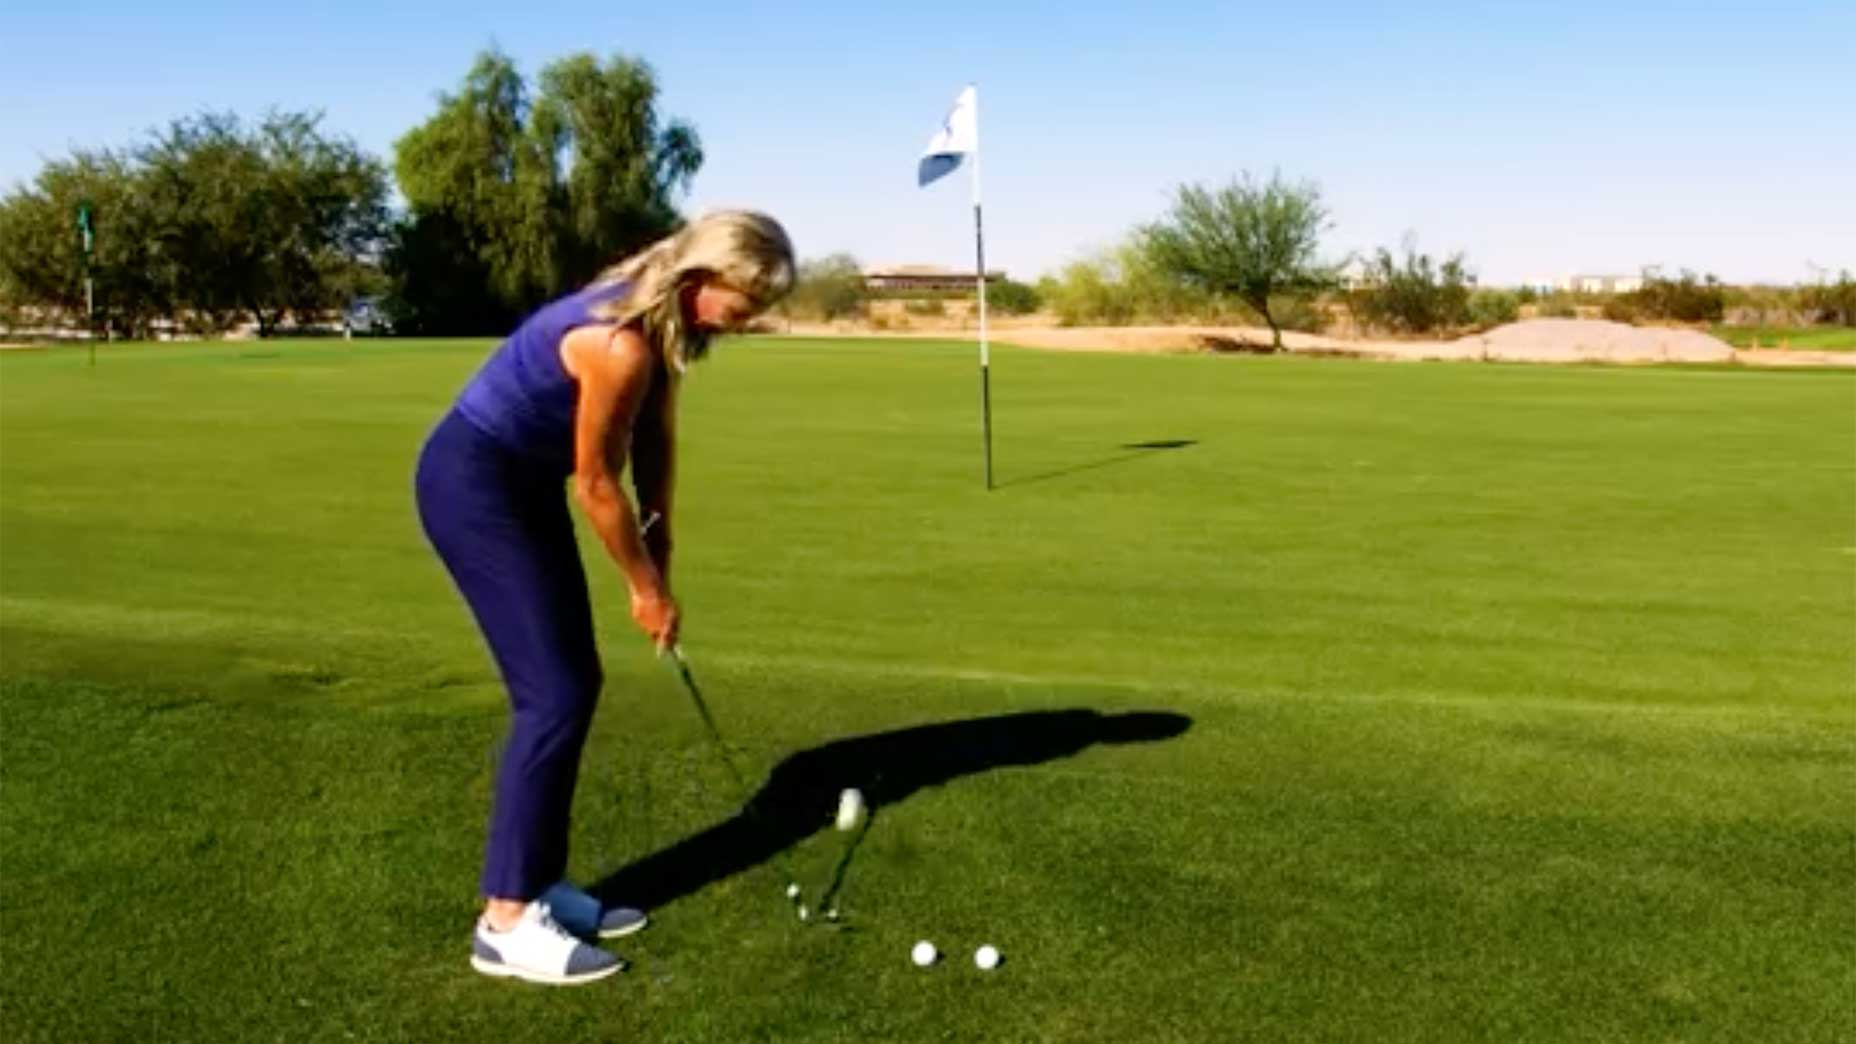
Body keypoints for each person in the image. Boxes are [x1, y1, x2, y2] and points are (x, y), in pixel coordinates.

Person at [414, 211, 795, 985]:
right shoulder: (617, 341)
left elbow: (653, 439)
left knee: (571, 684)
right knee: (550, 695)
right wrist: (643, 590)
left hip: (517, 483)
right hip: (473, 485)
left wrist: (663, 539)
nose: (753, 319)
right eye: (747, 301)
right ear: (699, 283)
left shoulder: (662, 328)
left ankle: (539, 881)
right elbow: (595, 483)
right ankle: (505, 922)